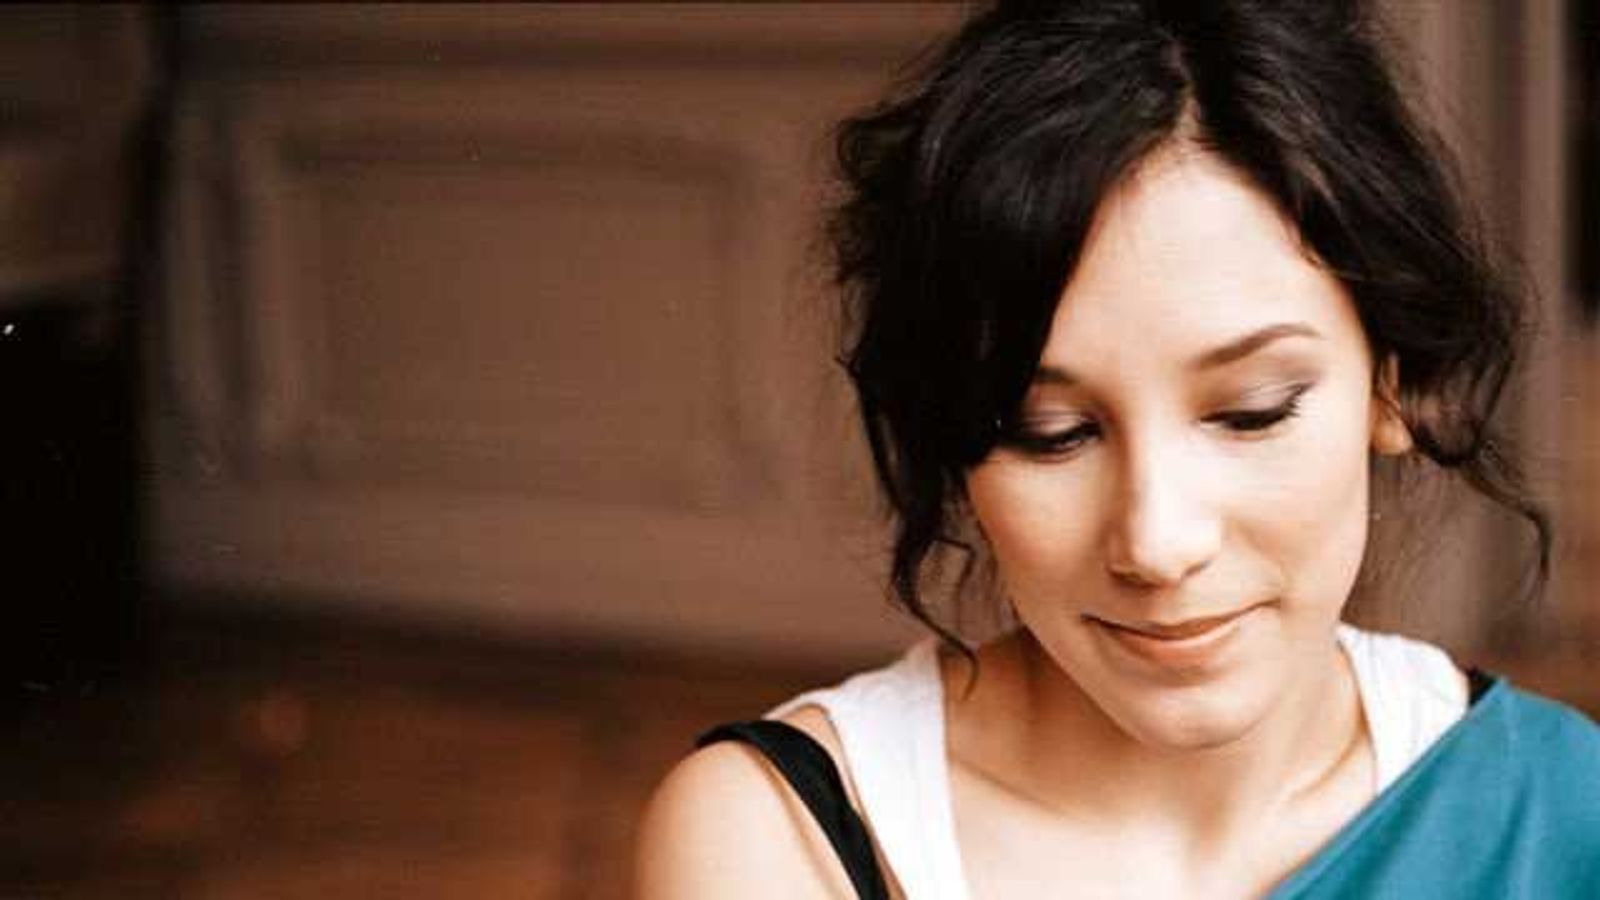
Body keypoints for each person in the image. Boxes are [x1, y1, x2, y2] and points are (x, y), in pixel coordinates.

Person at [635, 1, 1600, 897]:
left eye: (1251, 413)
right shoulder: (777, 841)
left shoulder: (1561, 812)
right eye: (1049, 433)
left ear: (1393, 382)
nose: (1157, 543)